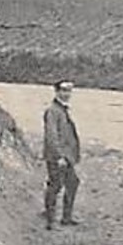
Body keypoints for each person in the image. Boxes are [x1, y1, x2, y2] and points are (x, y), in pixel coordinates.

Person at [42, 80, 81, 229]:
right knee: (55, 185)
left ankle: (66, 217)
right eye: (63, 91)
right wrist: (59, 156)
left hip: (65, 157)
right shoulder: (53, 111)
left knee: (72, 183)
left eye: (69, 91)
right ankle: (50, 221)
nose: (66, 94)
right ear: (56, 92)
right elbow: (51, 136)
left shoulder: (62, 110)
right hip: (57, 157)